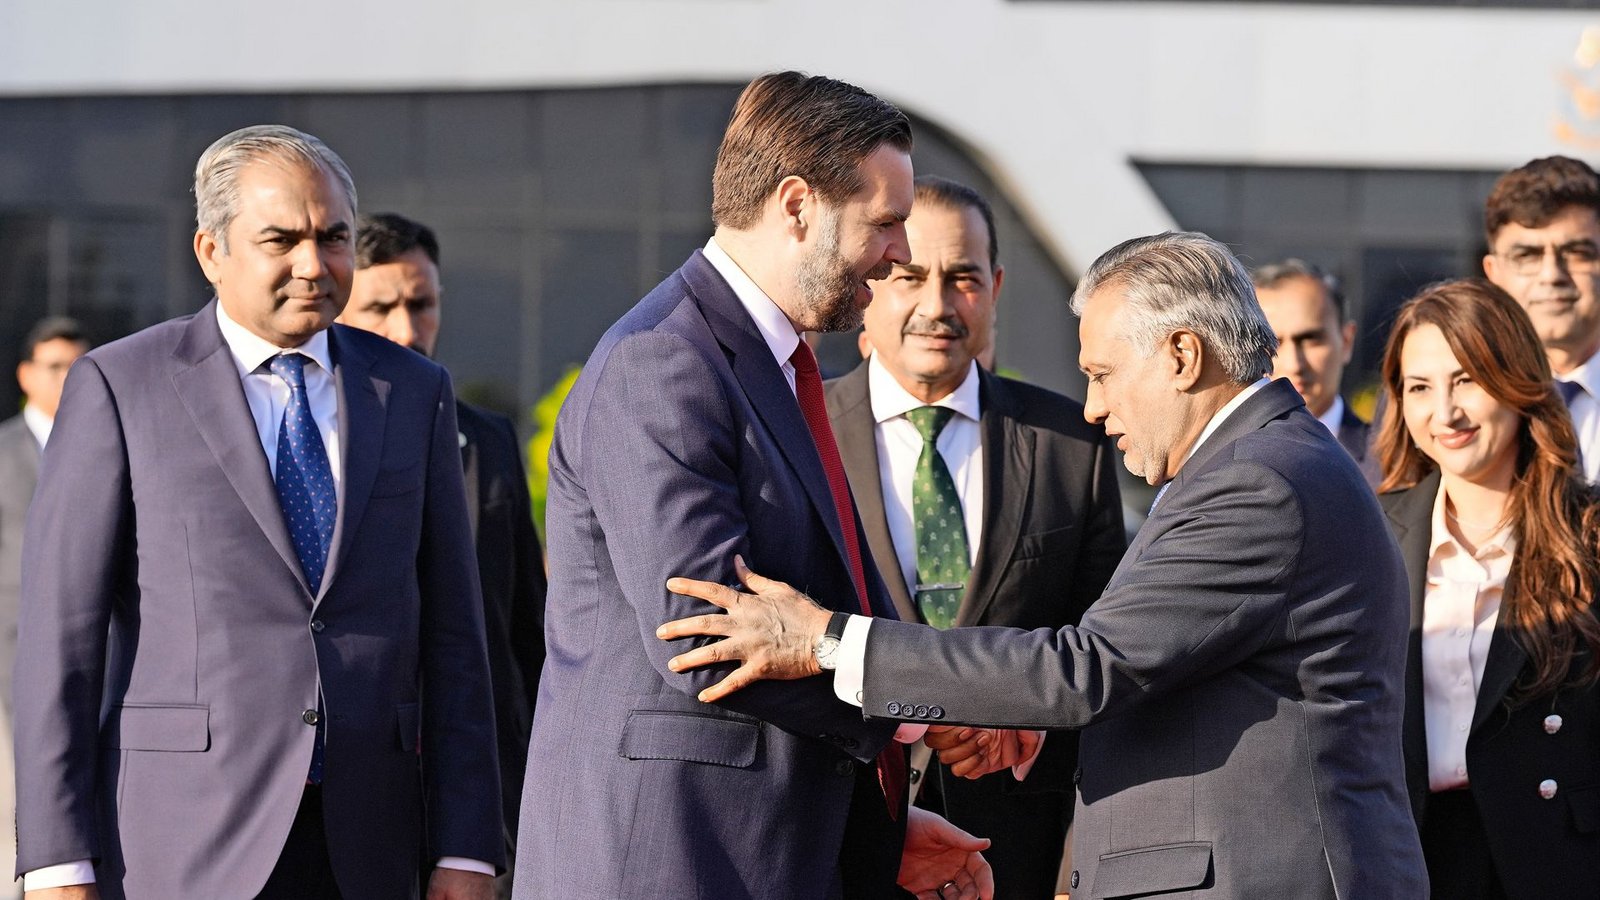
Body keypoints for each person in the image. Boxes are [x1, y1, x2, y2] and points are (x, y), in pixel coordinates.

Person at [659, 231, 1430, 899]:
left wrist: (830, 641)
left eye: (1101, 373)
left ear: (1182, 356)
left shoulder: (1259, 481)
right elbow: (1159, 664)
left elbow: (1089, 666)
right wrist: (1024, 717)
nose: (1092, 409)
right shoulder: (1257, 465)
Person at [515, 72, 992, 900]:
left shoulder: (774, 368)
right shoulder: (663, 364)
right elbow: (704, 640)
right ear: (798, 204)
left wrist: (878, 830)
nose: (902, 253)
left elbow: (813, 607)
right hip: (669, 861)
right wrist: (917, 709)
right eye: (884, 222)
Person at [13, 125, 502, 899]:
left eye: (333, 237)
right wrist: (56, 862)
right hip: (182, 842)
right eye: (282, 239)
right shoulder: (121, 386)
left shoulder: (413, 391)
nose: (314, 265)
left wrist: (468, 845)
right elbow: (58, 644)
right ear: (211, 252)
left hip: (372, 841)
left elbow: (454, 636)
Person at [829, 175, 1124, 898]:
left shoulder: (1069, 445)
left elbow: (1107, 650)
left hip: (1012, 847)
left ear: (992, 287)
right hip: (843, 838)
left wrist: (1018, 729)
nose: (936, 305)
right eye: (908, 277)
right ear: (870, 286)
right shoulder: (802, 437)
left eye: (961, 277)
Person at [339, 212, 547, 896]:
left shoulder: (487, 440)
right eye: (381, 307)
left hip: (480, 784)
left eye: (420, 305)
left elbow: (527, 629)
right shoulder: (305, 449)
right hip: (354, 784)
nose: (406, 329)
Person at [1373, 278, 1600, 899]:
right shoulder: (1370, 534)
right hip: (1414, 859)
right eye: (1420, 387)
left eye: (1466, 380)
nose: (1444, 413)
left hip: (1561, 859)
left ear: (1517, 382)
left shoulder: (1590, 530)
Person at [0, 317, 89, 900]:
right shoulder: (3, 452)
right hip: (11, 653)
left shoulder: (101, 443)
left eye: (78, 368)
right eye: (55, 367)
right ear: (26, 375)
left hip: (89, 651)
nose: (67, 380)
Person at [1481, 156, 1600, 480]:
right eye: (1527, 256)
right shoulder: (1448, 403)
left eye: (1578, 252)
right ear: (1494, 273)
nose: (1552, 275)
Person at [1251, 258, 1377, 482]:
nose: (1294, 364)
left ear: (1346, 341)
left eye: (1311, 340)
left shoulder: (1391, 464)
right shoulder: (1212, 462)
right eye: (1271, 344)